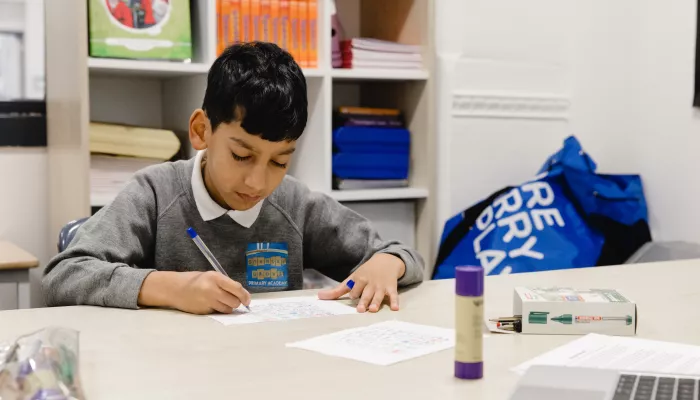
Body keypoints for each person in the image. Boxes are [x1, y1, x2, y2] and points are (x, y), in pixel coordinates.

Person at [43, 42, 424, 315]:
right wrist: (168, 288)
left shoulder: (294, 204)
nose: (257, 183)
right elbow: (64, 274)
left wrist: (388, 263)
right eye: (241, 155)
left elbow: (402, 254)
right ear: (201, 131)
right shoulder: (156, 193)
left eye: (279, 162)